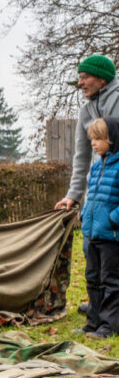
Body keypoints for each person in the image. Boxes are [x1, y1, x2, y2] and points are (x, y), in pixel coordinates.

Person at [55, 55, 119, 212]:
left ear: (102, 79)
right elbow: (82, 157)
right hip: (96, 199)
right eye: (79, 78)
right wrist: (73, 195)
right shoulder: (85, 112)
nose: (80, 83)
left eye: (85, 77)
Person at [78, 118, 119, 339]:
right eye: (92, 138)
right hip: (92, 234)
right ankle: (92, 323)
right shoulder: (96, 167)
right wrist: (85, 215)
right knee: (92, 279)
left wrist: (113, 220)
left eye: (99, 138)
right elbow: (91, 196)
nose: (93, 143)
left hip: (111, 237)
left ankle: (108, 327)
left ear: (112, 139)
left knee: (111, 282)